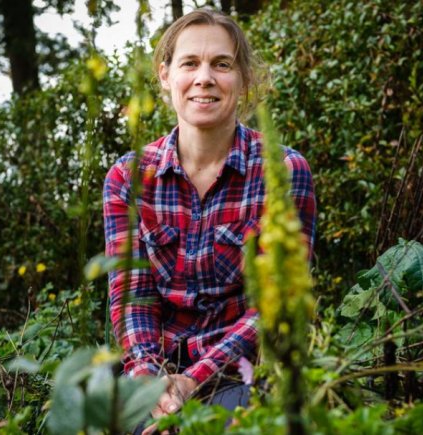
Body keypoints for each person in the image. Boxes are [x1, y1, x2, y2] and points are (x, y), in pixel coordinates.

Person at [102, 9, 316, 434]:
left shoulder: (285, 172)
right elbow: (132, 296)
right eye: (189, 64)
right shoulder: (127, 177)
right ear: (166, 76)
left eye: (222, 64)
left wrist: (193, 380)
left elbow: (275, 306)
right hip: (153, 367)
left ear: (244, 80)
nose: (204, 77)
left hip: (240, 366)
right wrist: (152, 382)